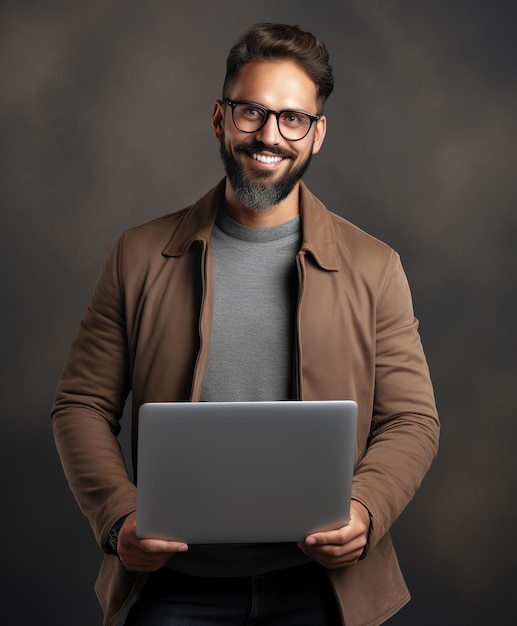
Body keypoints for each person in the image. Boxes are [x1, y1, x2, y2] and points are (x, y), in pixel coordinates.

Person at [52, 22, 439, 626]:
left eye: (292, 118)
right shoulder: (138, 254)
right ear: (218, 117)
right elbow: (79, 404)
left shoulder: (375, 267)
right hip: (172, 587)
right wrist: (120, 515)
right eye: (251, 112)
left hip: (324, 591)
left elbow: (412, 419)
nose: (269, 136)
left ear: (317, 135)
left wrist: (364, 508)